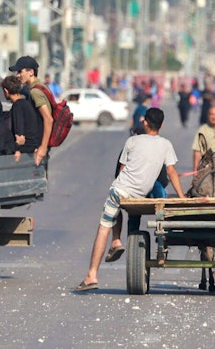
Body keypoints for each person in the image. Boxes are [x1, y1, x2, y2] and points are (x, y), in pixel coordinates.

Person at [77, 108, 184, 292]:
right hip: (140, 193)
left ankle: (92, 274)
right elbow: (171, 172)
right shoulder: (166, 144)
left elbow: (121, 171)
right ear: (162, 125)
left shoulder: (132, 141)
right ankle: (116, 241)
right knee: (117, 207)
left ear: (145, 122)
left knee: (104, 226)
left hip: (121, 190)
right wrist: (182, 197)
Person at [13, 55, 52, 166]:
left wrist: (43, 148)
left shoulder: (35, 92)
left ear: (31, 72)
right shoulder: (41, 87)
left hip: (38, 148)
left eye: (20, 72)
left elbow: (48, 119)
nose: (18, 75)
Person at [3, 75, 43, 161]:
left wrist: (16, 149)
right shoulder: (26, 103)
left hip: (26, 149)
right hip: (33, 146)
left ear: (6, 91)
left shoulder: (18, 105)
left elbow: (20, 136)